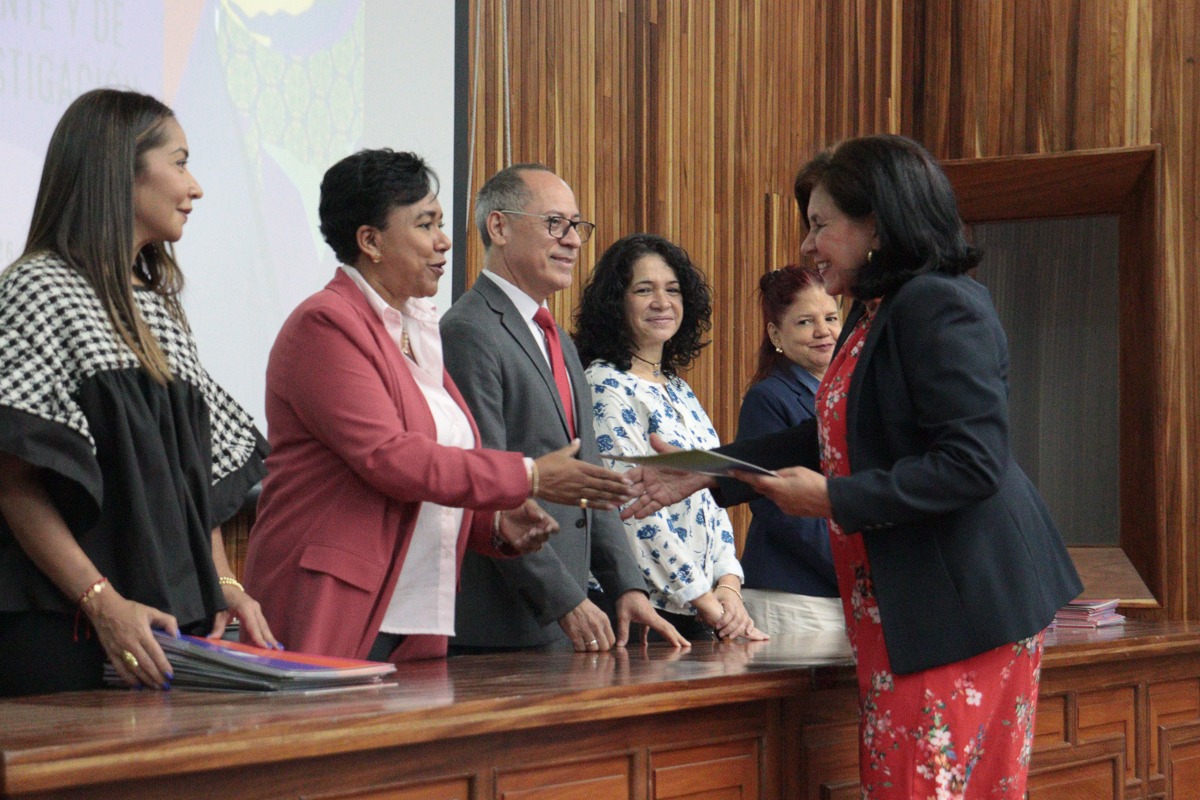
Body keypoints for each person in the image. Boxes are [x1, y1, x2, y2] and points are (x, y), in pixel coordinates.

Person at [628, 135, 1082, 797]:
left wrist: (833, 500)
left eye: (821, 225)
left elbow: (972, 463)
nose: (807, 245)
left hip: (959, 608)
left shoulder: (936, 302)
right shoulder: (877, 310)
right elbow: (836, 432)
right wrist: (708, 468)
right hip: (908, 607)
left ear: (877, 224)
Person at [242, 149, 630, 664]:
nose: (445, 240)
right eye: (426, 225)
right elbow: (390, 458)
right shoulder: (326, 324)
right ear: (370, 241)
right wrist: (530, 476)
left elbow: (437, 470)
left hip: (417, 607)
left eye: (441, 223)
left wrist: (492, 527)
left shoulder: (416, 331)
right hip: (339, 597)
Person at [0, 88, 277, 696]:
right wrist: (102, 601)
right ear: (119, 170)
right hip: (62, 631)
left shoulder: (160, 308)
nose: (195, 187)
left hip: (165, 630)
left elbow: (196, 477)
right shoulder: (37, 290)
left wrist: (224, 582)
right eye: (179, 163)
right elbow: (14, 482)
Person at [440, 164, 689, 653]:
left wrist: (627, 586)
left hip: (564, 624)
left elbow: (590, 474)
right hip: (501, 629)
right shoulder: (468, 331)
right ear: (499, 227)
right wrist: (565, 599)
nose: (574, 240)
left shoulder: (555, 336)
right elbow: (487, 488)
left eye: (577, 226)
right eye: (555, 224)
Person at [574, 233, 765, 642]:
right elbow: (631, 508)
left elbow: (711, 492)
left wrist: (729, 584)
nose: (662, 302)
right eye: (644, 290)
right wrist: (707, 603)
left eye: (673, 290)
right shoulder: (605, 384)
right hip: (644, 610)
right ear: (616, 302)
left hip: (700, 606)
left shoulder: (678, 387)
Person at [734, 266, 843, 635]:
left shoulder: (848, 392)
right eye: (805, 322)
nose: (823, 331)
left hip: (848, 592)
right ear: (776, 334)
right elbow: (778, 507)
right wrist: (853, 567)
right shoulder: (768, 397)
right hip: (793, 597)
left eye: (831, 318)